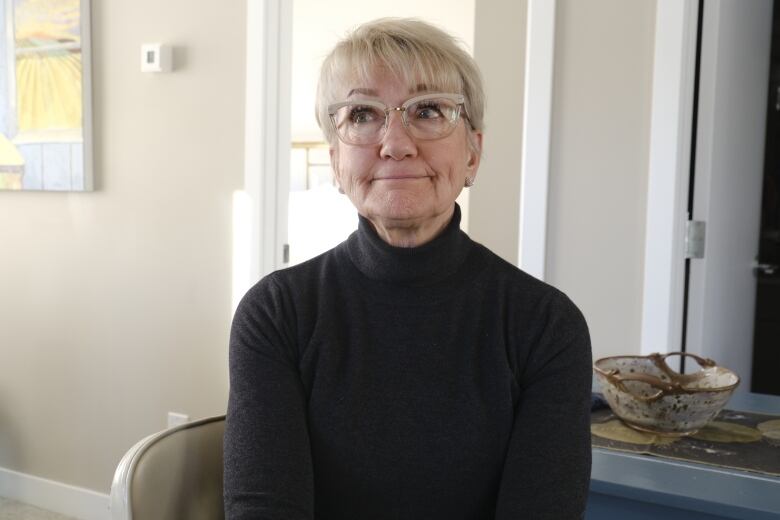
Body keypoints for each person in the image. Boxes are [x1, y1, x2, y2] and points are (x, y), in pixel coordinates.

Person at [224, 18, 592, 519]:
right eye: (362, 114)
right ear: (335, 162)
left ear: (473, 154)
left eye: (428, 110)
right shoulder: (275, 314)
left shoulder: (547, 326)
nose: (395, 142)